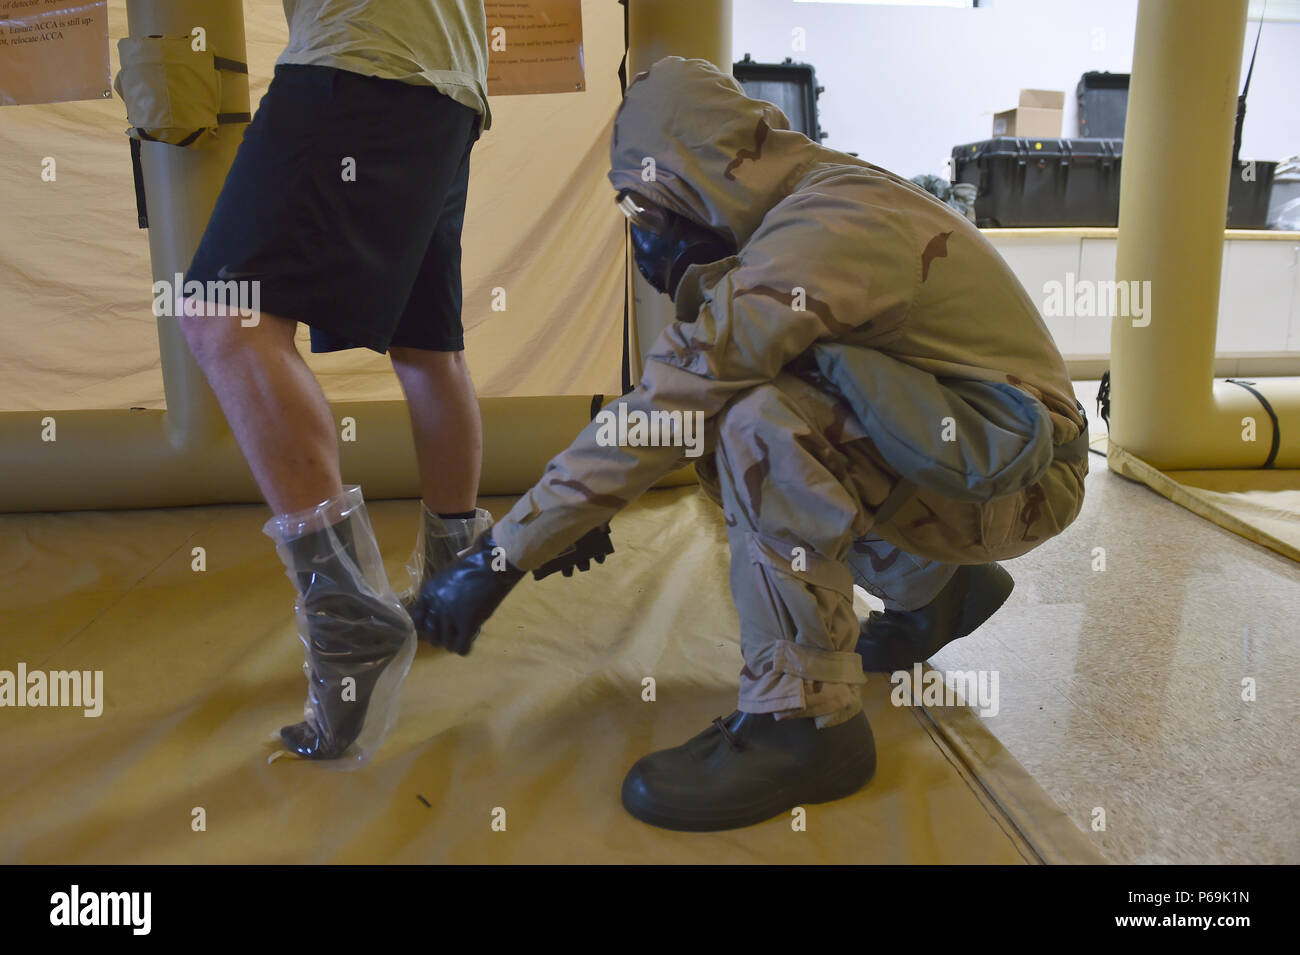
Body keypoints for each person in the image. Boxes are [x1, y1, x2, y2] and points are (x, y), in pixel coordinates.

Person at [413, 56, 1089, 830]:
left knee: (754, 422)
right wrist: (582, 499)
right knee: (732, 410)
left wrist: (500, 558)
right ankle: (937, 587)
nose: (643, 237)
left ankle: (804, 725)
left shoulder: (824, 229)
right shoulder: (808, 203)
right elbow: (681, 393)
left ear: (696, 175)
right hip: (968, 453)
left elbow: (683, 391)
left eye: (643, 209)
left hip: (1019, 482)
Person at [178, 1, 492, 764]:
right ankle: (458, 587)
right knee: (427, 346)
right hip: (447, 83)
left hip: (360, 60)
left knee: (222, 314)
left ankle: (351, 623)